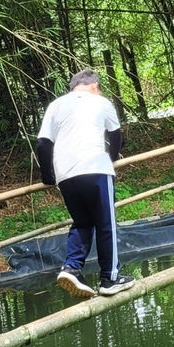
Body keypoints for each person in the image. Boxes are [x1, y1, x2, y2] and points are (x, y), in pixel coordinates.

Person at [36, 69, 135, 299]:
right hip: (95, 168)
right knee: (105, 223)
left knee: (82, 222)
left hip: (66, 175)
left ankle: (71, 268)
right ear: (94, 86)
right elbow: (116, 135)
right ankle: (110, 277)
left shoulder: (56, 105)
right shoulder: (100, 102)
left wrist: (48, 175)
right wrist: (111, 157)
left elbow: (42, 143)